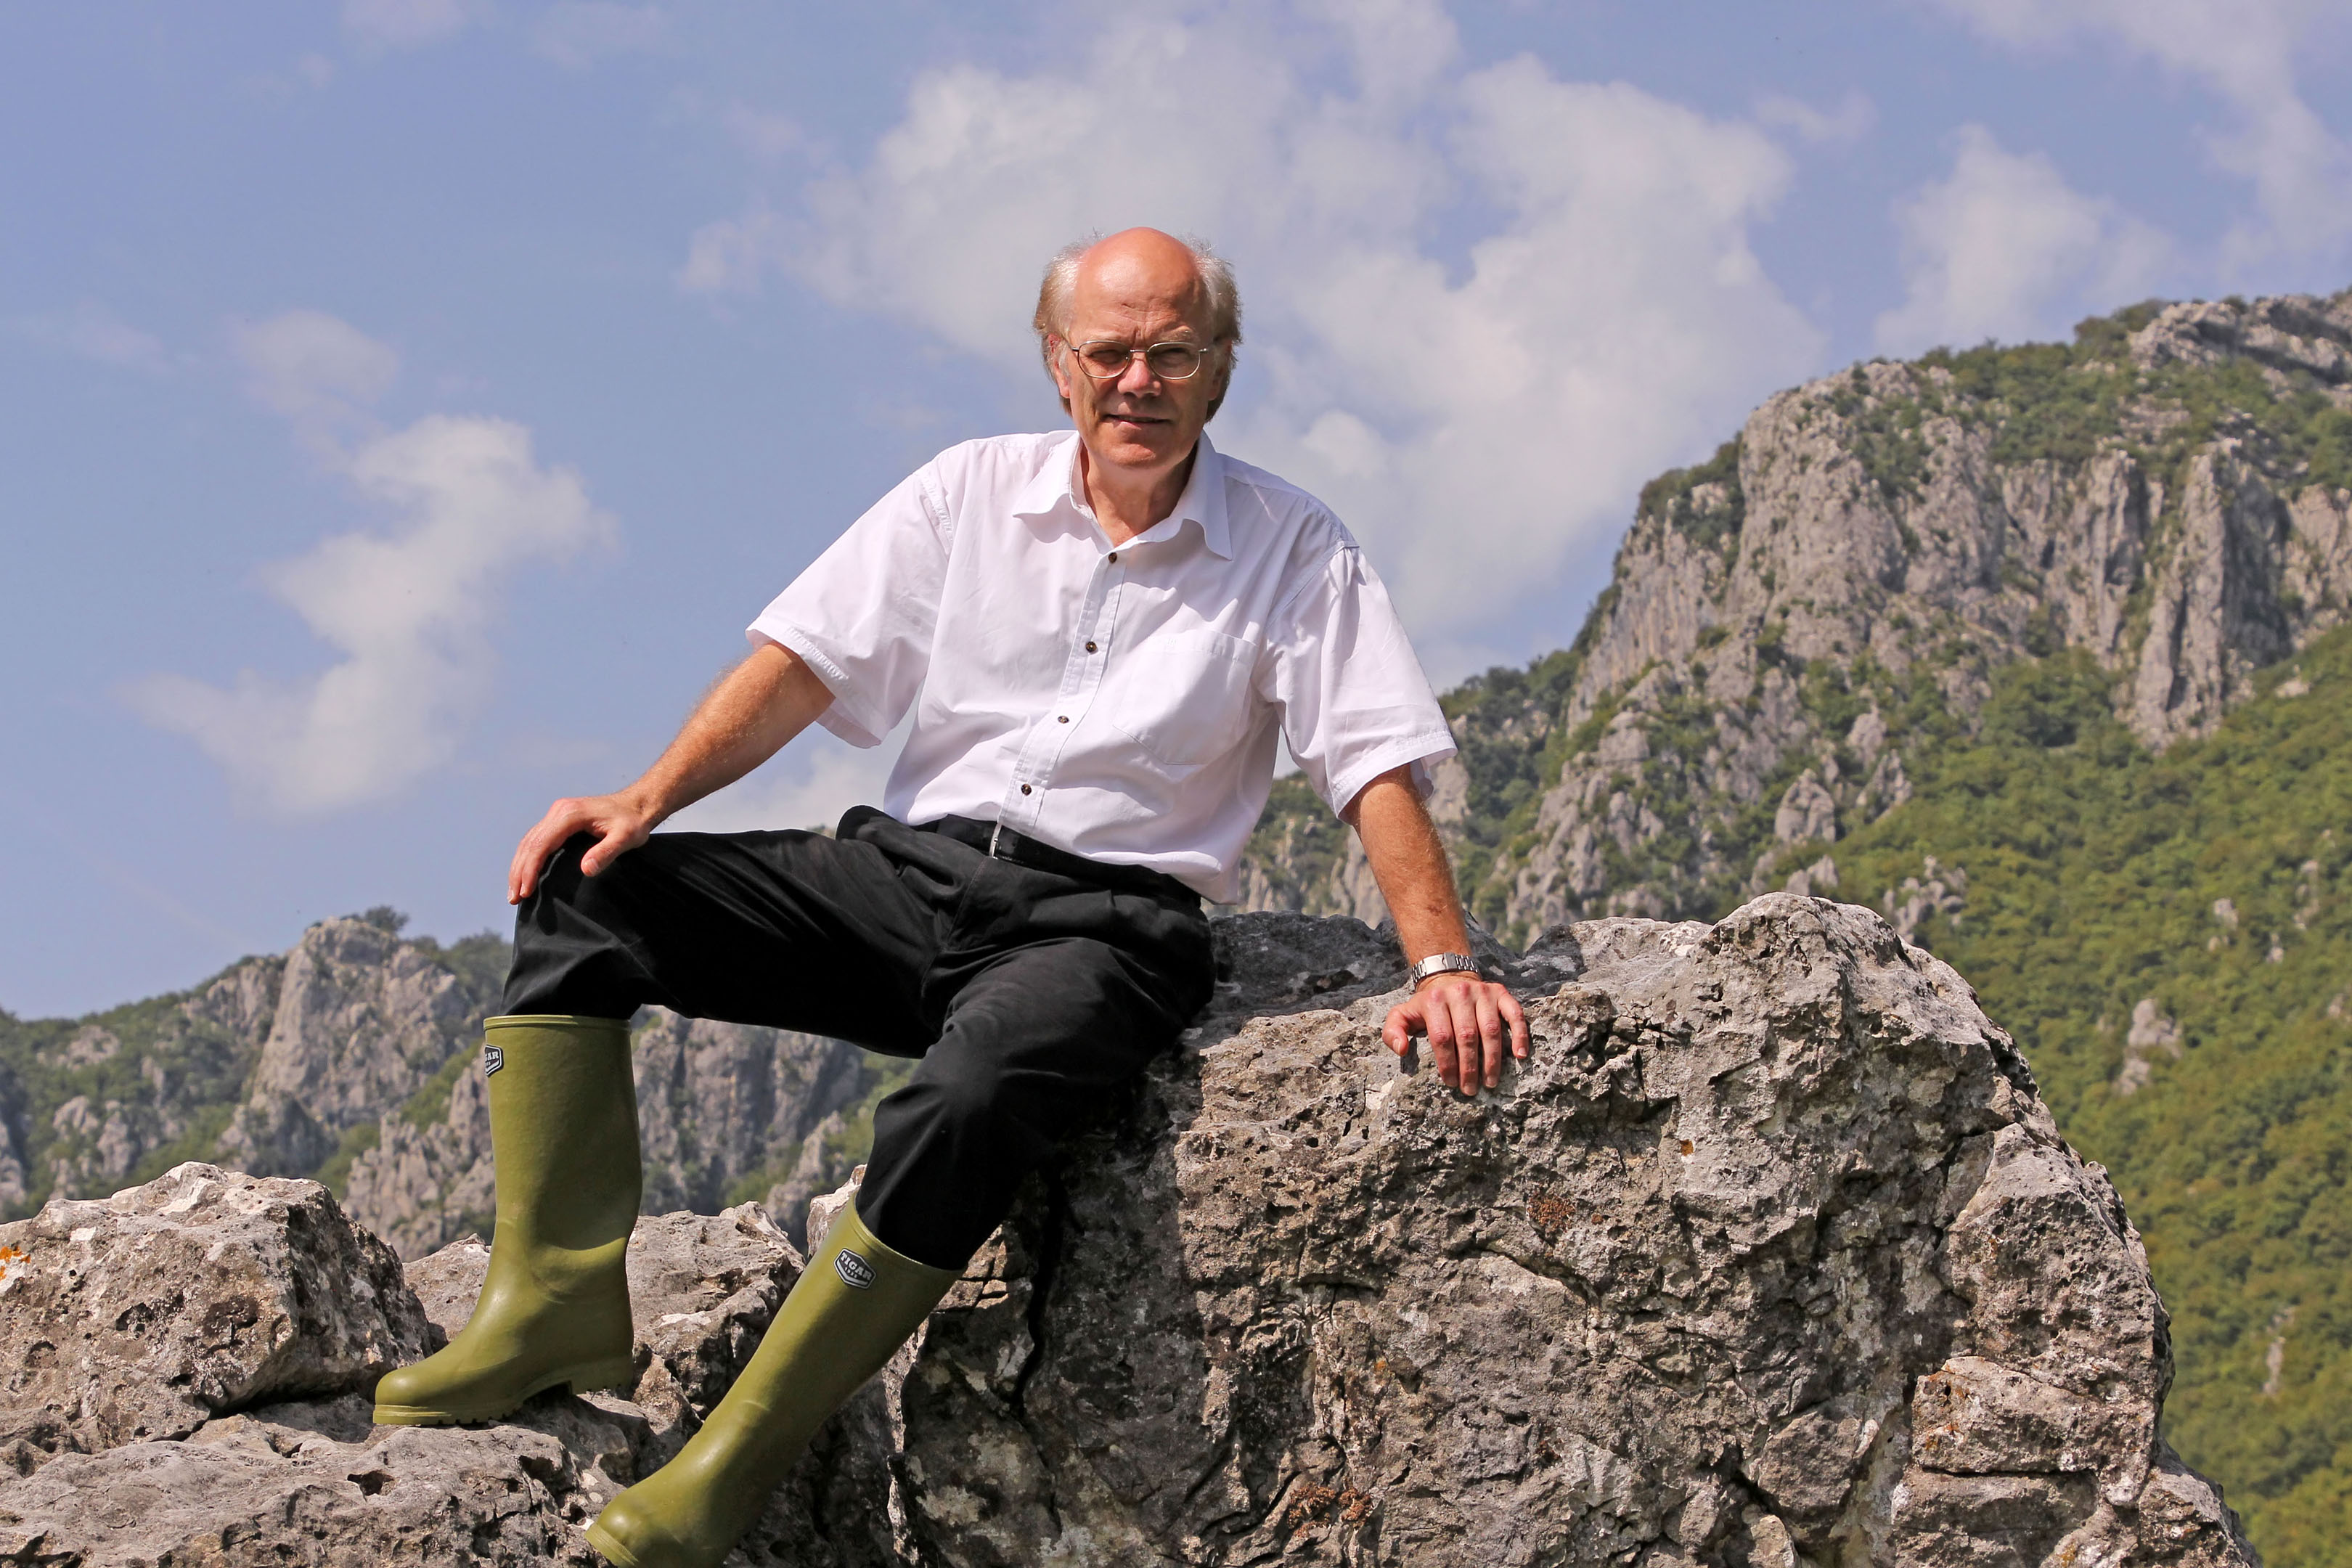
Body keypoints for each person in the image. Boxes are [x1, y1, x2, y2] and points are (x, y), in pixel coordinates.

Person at [369, 226, 1528, 1568]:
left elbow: (1373, 760)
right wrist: (649, 796)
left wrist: (1443, 965)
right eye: (1111, 351)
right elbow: (805, 661)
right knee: (591, 895)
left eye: (1173, 354)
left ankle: (726, 1469)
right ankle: (553, 1309)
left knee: (963, 1103)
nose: (1139, 381)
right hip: (907, 879)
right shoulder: (969, 488)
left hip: (1105, 930)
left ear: (1221, 370)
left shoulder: (1295, 547)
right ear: (1058, 362)